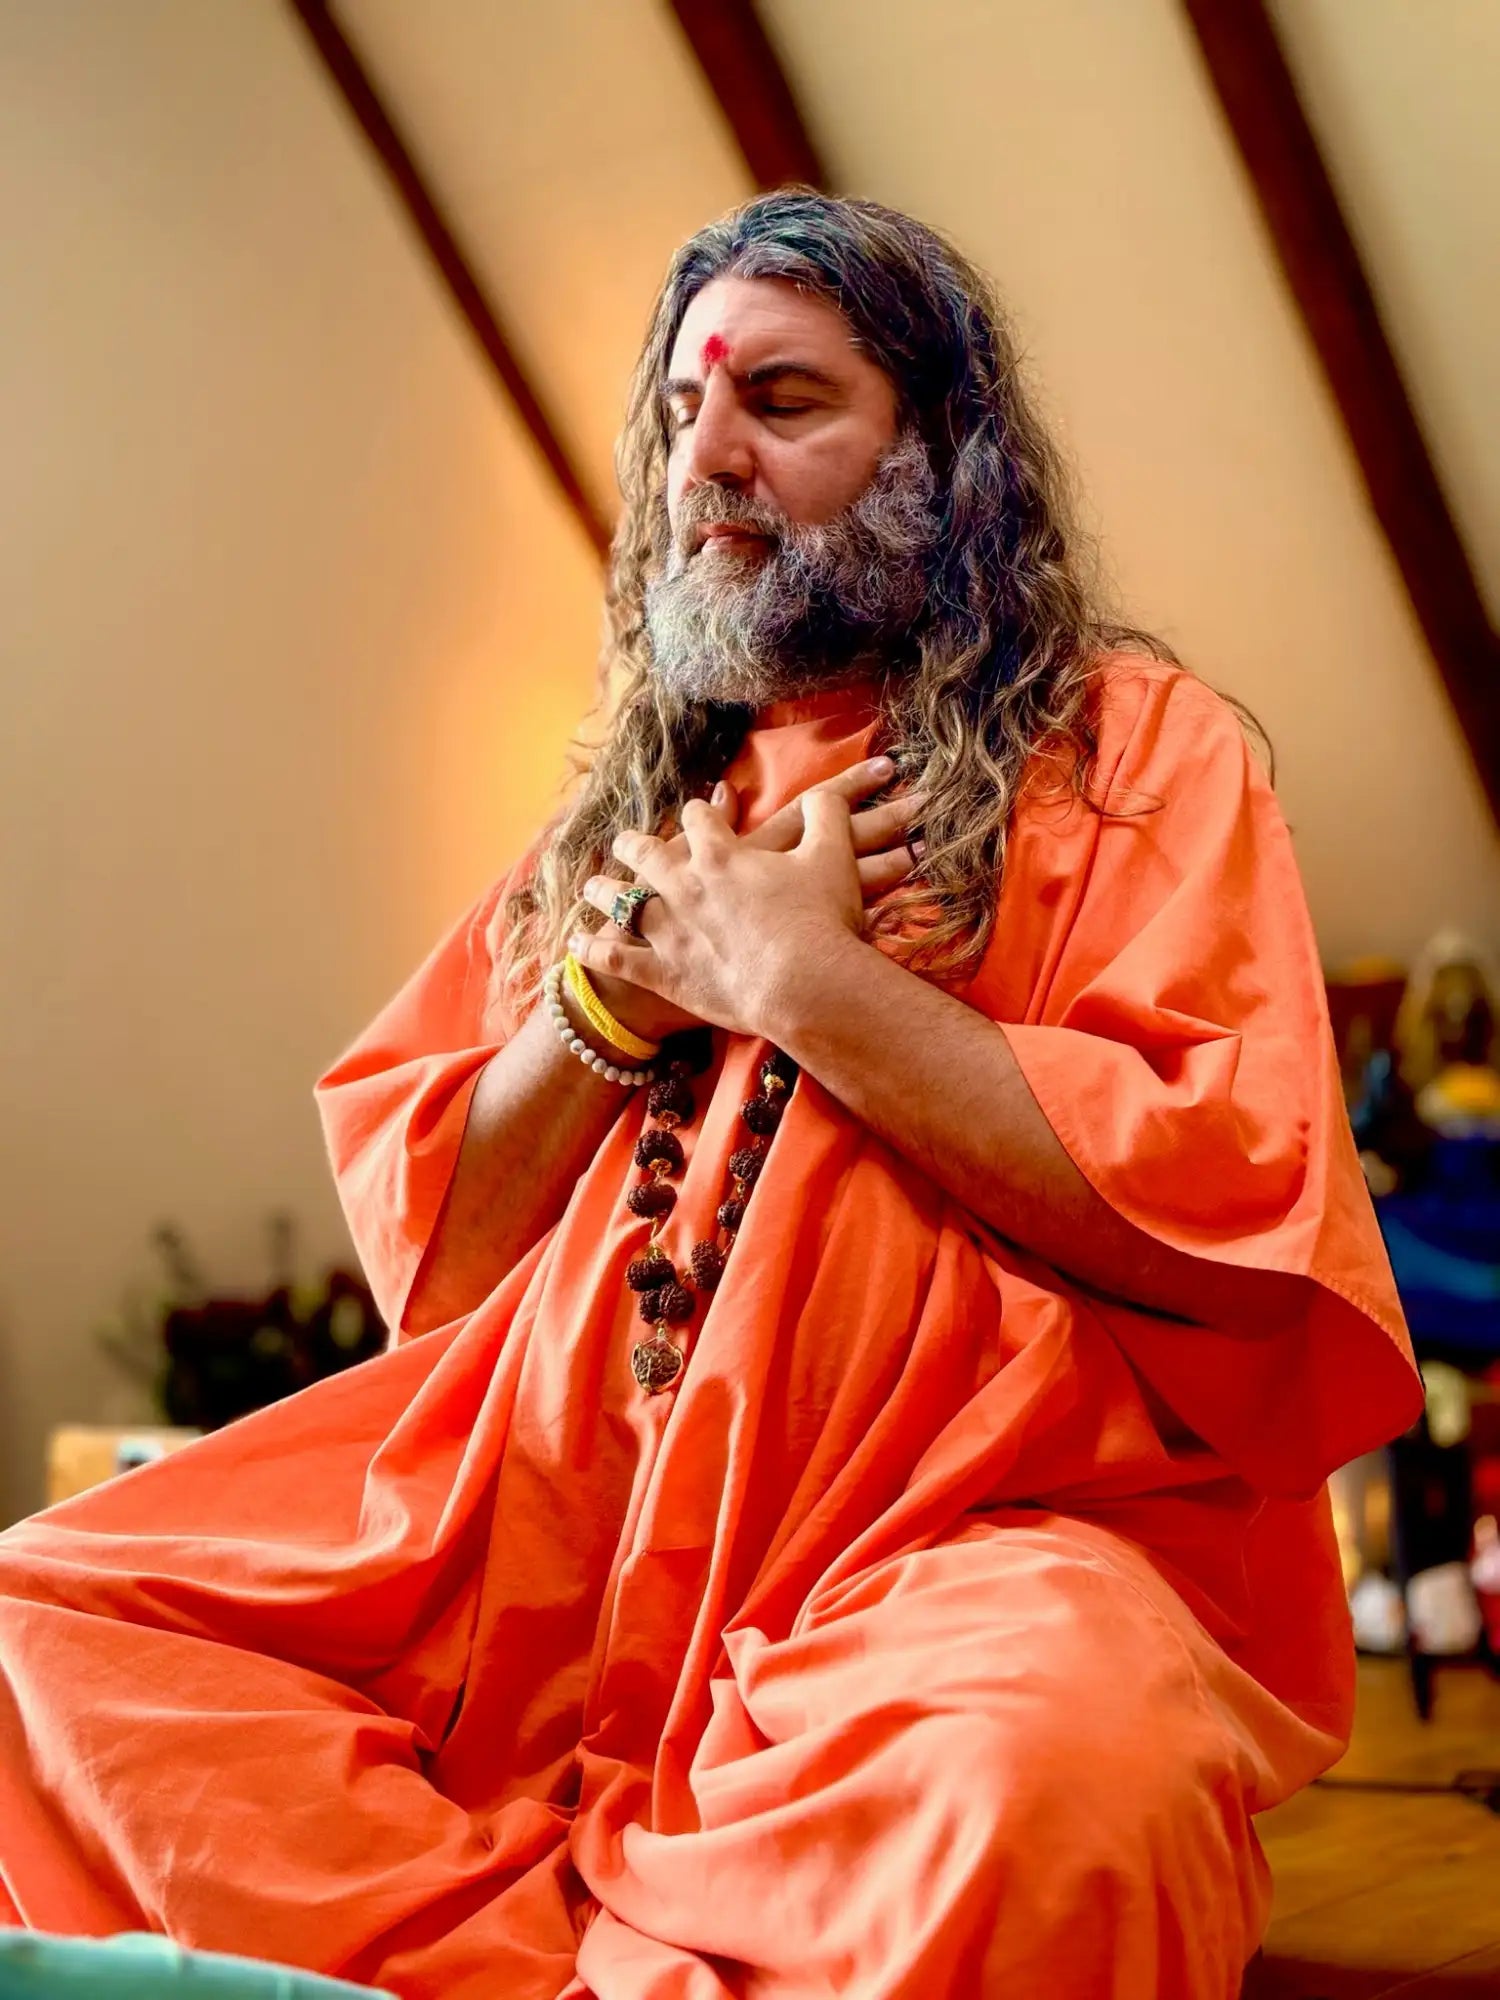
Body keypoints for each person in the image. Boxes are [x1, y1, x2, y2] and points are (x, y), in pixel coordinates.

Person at [0, 193, 1421, 1999]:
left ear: (942, 458)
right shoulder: (627, 812)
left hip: (939, 1560)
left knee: (1050, 1787)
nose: (709, 460)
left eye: (784, 404)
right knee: (38, 1632)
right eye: (683, 410)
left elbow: (1234, 1192)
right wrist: (614, 988)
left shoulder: (1135, 755)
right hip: (510, 1568)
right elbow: (436, 1253)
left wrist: (802, 982)